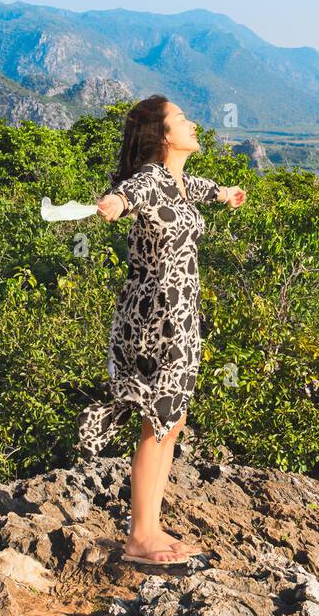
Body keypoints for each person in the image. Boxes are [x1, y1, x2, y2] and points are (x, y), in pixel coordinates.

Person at [74, 95, 246, 565]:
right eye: (182, 119)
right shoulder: (150, 181)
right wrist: (113, 202)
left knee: (173, 420)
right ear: (162, 135)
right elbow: (130, 195)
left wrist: (227, 194)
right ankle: (139, 536)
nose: (193, 123)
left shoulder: (181, 183)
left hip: (180, 318)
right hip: (153, 320)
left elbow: (201, 190)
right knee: (159, 419)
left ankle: (149, 526)